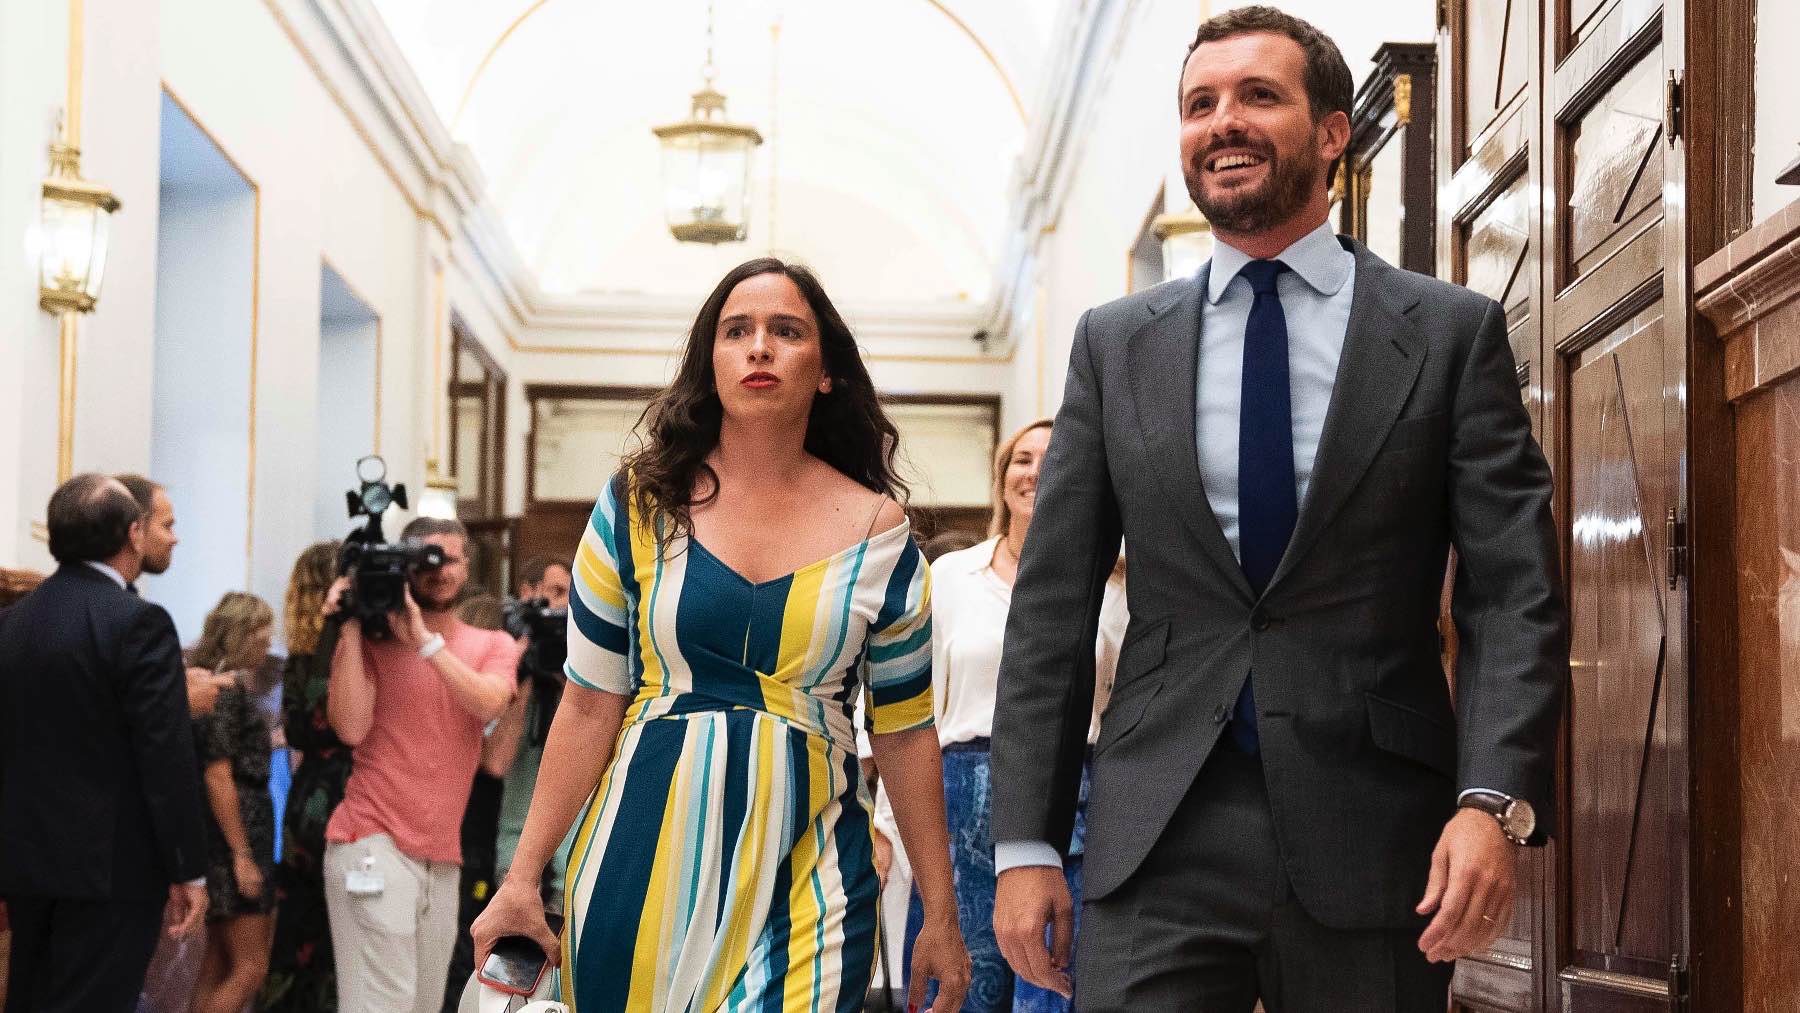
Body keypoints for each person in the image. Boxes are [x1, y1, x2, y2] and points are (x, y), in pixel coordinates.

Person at [988, 8, 1568, 1011]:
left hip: (1378, 828)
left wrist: (1491, 801)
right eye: (1199, 104)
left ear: (1334, 132)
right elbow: (1051, 610)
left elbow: (1514, 590)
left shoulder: (1446, 334)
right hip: (1158, 830)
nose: (1223, 122)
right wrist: (1027, 839)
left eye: (1259, 96)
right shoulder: (1114, 345)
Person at [471, 257, 971, 1012]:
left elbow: (904, 733)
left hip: (812, 860)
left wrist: (940, 911)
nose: (760, 347)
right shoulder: (638, 505)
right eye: (737, 330)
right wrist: (520, 877)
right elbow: (587, 702)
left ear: (826, 369)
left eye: (786, 331)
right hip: (639, 851)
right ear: (712, 361)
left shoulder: (881, 533)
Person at [0, 474, 209, 1012]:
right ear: (133, 534)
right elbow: (163, 753)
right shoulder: (137, 623)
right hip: (111, 865)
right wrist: (187, 866)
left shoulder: (12, 622)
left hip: (23, 859)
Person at [321, 516, 518, 1013]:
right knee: (382, 1004)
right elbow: (348, 727)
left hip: (442, 855)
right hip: (371, 839)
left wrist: (425, 643)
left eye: (448, 558)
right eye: (424, 558)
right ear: (403, 565)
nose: (437, 570)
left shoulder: (492, 645)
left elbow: (491, 703)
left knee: (426, 1004)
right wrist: (348, 621)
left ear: (467, 566)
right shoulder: (372, 641)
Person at [257, 541, 347, 1013]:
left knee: (299, 934)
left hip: (308, 798)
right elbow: (315, 725)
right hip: (340, 798)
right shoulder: (336, 657)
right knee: (328, 936)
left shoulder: (299, 659)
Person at [186, 591, 280, 1013]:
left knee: (217, 963)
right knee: (250, 968)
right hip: (236, 832)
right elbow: (217, 772)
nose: (267, 646)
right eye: (261, 637)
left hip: (222, 829)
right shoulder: (225, 688)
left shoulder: (210, 680)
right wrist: (242, 854)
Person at [486, 558, 576, 904]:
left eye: (572, 596)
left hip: (572, 864)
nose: (564, 605)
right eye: (556, 592)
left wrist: (569, 678)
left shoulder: (586, 662)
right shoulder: (504, 653)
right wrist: (524, 671)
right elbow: (495, 762)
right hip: (515, 855)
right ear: (527, 592)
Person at [117, 474, 236, 721]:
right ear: (136, 530)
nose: (174, 539)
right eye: (167, 526)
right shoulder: (135, 617)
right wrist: (182, 702)